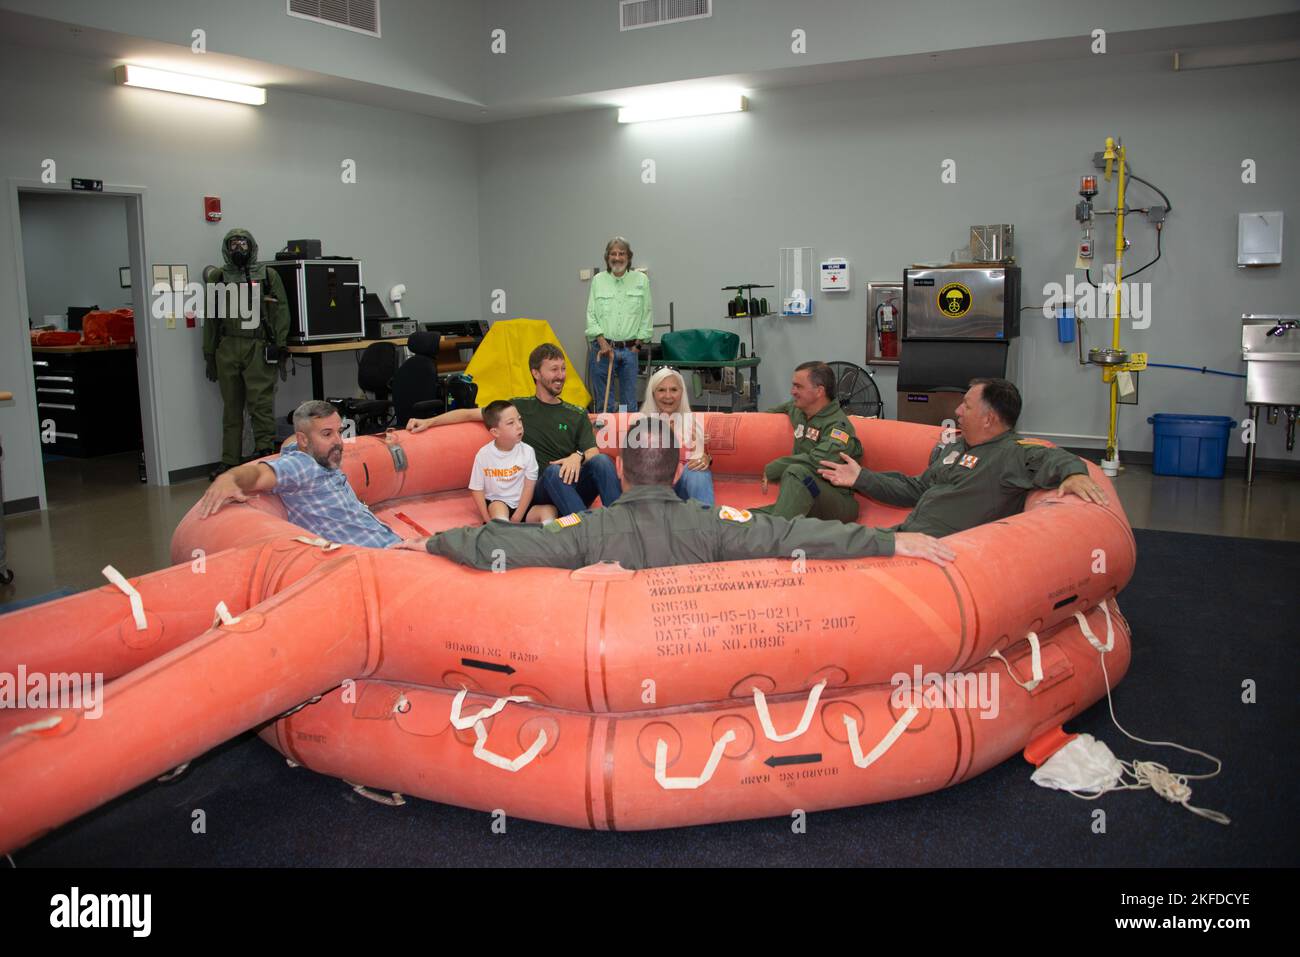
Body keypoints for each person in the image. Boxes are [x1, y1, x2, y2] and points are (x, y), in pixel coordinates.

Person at [392, 424, 955, 569]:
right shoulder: (717, 523)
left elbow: (511, 543)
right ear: (678, 468)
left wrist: (438, 543)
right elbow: (798, 533)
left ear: (624, 472)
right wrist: (891, 542)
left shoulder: (590, 530)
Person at [817, 378, 1109, 537]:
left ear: (988, 418)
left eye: (966, 406)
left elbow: (1055, 458)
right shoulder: (955, 448)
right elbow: (915, 489)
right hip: (906, 535)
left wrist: (1074, 474)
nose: (957, 411)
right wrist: (861, 478)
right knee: (823, 538)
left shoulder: (1012, 453)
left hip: (935, 550)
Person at [408, 343, 621, 515]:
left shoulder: (576, 413)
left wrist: (577, 456)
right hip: (542, 491)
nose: (561, 375)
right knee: (553, 472)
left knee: (602, 460)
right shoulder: (518, 408)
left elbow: (592, 453)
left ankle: (624, 522)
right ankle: (588, 530)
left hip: (576, 487)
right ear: (536, 373)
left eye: (563, 369)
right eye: (554, 369)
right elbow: (467, 413)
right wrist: (428, 422)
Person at [197, 400, 400, 548]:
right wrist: (230, 477)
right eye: (327, 434)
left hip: (392, 546)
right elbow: (260, 473)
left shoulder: (321, 457)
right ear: (303, 440)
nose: (338, 440)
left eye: (339, 431)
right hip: (377, 558)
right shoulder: (302, 465)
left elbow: (289, 444)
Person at [202, 228, 291, 480]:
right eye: (233, 244)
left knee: (260, 405)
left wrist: (280, 344)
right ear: (226, 248)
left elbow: (282, 310)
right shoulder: (218, 278)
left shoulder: (267, 275)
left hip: (258, 345)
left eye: (243, 244)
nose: (238, 249)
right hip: (228, 346)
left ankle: (264, 456)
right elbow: (211, 319)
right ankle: (229, 460)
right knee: (231, 408)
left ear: (251, 246)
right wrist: (209, 354)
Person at [756, 361, 862, 522]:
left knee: (796, 471)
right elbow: (768, 415)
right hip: (804, 493)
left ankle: (776, 538)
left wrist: (773, 468)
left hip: (836, 501)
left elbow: (818, 461)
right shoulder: (798, 410)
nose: (792, 392)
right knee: (746, 516)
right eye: (793, 386)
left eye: (798, 387)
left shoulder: (839, 427)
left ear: (819, 391)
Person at [586, 236, 652, 413]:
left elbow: (647, 314)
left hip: (630, 351)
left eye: (621, 253)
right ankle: (603, 438)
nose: (617, 257)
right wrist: (601, 341)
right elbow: (591, 314)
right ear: (608, 257)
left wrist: (638, 344)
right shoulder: (598, 280)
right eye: (613, 253)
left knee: (628, 404)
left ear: (629, 257)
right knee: (604, 403)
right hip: (603, 349)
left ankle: (627, 437)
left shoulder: (641, 280)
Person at [469, 400, 552, 524]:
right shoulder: (484, 454)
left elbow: (529, 487)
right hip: (498, 503)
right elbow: (476, 489)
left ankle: (549, 539)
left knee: (549, 510)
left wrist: (517, 517)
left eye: (520, 419)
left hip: (522, 507)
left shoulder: (528, 451)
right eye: (511, 423)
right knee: (498, 507)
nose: (519, 425)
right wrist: (486, 519)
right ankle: (503, 533)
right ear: (495, 432)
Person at [640, 366, 713, 505]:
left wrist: (704, 458)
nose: (668, 396)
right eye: (661, 390)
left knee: (697, 472)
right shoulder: (640, 424)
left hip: (683, 488)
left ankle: (706, 523)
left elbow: (701, 456)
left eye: (674, 389)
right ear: (653, 393)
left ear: (682, 392)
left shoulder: (692, 422)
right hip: (653, 489)